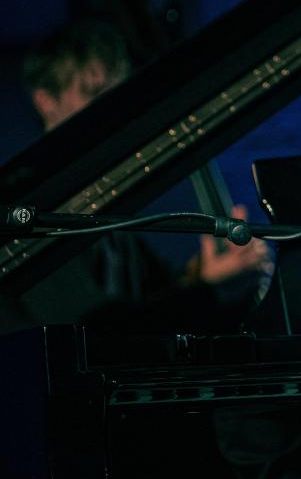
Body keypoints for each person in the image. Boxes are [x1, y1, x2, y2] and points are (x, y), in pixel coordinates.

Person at [15, 19, 269, 328]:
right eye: (94, 94)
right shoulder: (26, 211)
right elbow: (91, 329)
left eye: (119, 97)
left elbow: (155, 300)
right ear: (45, 101)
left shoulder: (103, 205)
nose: (114, 113)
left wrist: (205, 274)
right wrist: (204, 288)